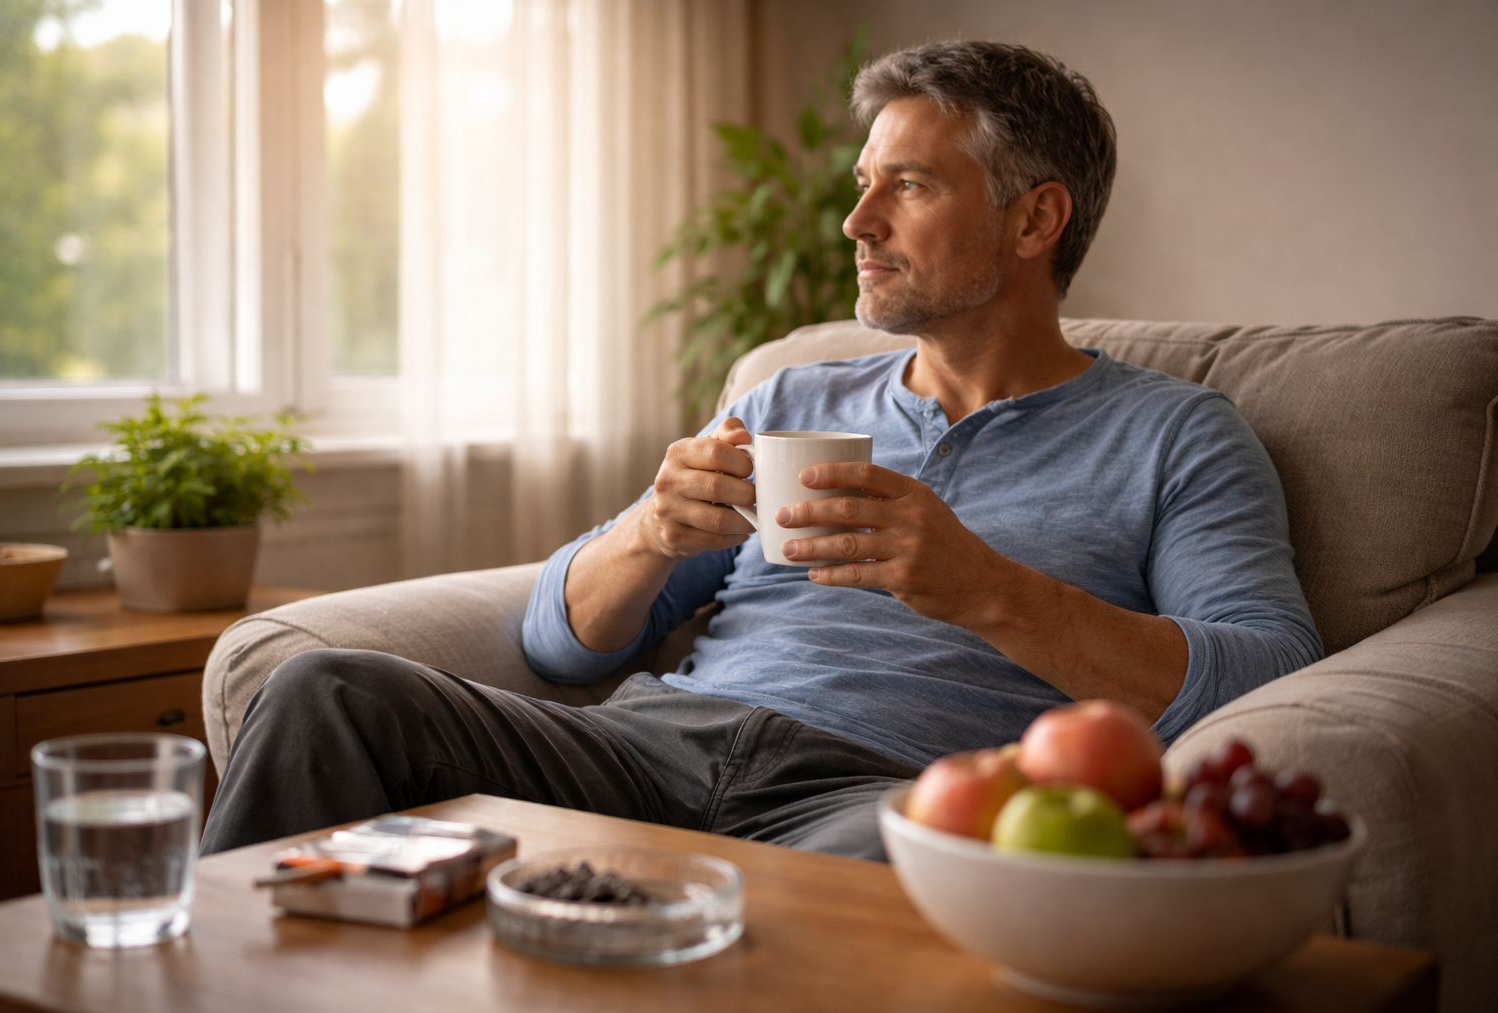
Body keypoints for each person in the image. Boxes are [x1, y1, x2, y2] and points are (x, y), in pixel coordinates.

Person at [200, 41, 1320, 860]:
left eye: (909, 185)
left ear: (1035, 223)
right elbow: (561, 644)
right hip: (643, 750)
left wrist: (986, 590)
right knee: (323, 692)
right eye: (862, 184)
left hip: (884, 799)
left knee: (908, 876)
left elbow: (1269, 678)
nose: (857, 222)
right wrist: (648, 532)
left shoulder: (1179, 436)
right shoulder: (795, 393)